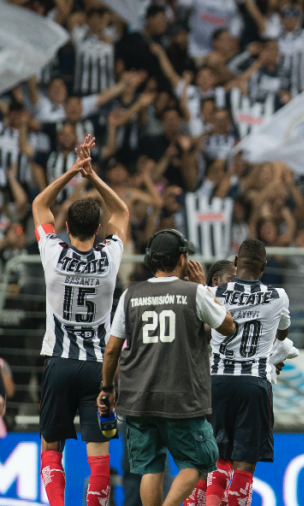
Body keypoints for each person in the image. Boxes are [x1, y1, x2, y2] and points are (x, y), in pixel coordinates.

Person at [98, 229, 235, 506]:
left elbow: (112, 349)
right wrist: (206, 289)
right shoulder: (193, 292)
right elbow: (228, 326)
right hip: (182, 398)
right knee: (200, 461)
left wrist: (107, 388)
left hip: (138, 398)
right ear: (182, 258)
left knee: (151, 467)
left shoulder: (131, 295)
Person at [33, 134, 129, 506]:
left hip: (58, 363)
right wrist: (93, 176)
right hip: (97, 369)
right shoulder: (109, 258)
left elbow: (41, 204)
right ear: (98, 230)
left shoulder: (53, 253)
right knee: (99, 453)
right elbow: (121, 212)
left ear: (68, 229)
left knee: (51, 444)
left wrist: (72, 172)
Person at [203, 239, 291, 506]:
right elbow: (283, 331)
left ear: (237, 262)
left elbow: (202, 332)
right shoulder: (279, 296)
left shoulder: (214, 293)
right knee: (244, 466)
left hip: (217, 381)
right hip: (253, 383)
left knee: (218, 460)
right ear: (263, 267)